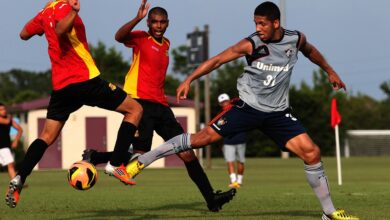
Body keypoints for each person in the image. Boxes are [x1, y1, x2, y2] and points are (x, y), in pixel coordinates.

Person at [125, 2, 359, 219]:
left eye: (262, 24)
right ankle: (141, 161)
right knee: (200, 139)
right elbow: (217, 60)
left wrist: (330, 70)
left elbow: (310, 51)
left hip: (278, 113)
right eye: (255, 23)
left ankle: (328, 213)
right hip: (247, 108)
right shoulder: (252, 43)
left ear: (276, 23)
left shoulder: (295, 39)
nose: (258, 28)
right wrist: (190, 78)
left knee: (312, 153)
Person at [83, 0, 235, 212]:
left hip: (162, 107)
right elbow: (119, 37)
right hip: (140, 104)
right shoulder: (140, 38)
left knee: (187, 152)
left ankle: (212, 199)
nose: (159, 25)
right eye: (154, 22)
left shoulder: (167, 44)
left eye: (162, 22)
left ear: (167, 23)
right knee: (139, 154)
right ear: (148, 23)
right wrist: (136, 18)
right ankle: (96, 156)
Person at [6, 0, 143, 208]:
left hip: (61, 87)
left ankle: (20, 177)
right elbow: (61, 29)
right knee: (135, 110)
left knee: (47, 136)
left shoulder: (44, 13)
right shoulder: (64, 7)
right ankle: (115, 164)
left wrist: (43, 26)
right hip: (84, 80)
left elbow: (23, 34)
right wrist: (73, 11)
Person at [216, 94, 246, 188]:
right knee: (230, 161)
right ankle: (234, 181)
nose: (224, 103)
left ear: (229, 101)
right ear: (220, 104)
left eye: (225, 101)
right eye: (222, 102)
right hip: (228, 141)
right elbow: (218, 128)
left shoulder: (237, 110)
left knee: (240, 161)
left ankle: (239, 181)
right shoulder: (220, 115)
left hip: (240, 139)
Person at [0, 103, 23, 180]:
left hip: (5, 146)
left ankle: (14, 183)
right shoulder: (7, 119)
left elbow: (20, 129)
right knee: (10, 164)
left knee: (11, 164)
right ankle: (15, 183)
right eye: (1, 110)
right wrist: (10, 117)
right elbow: (6, 122)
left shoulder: (8, 119)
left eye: (4, 109)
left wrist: (16, 141)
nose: (3, 111)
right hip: (2, 147)